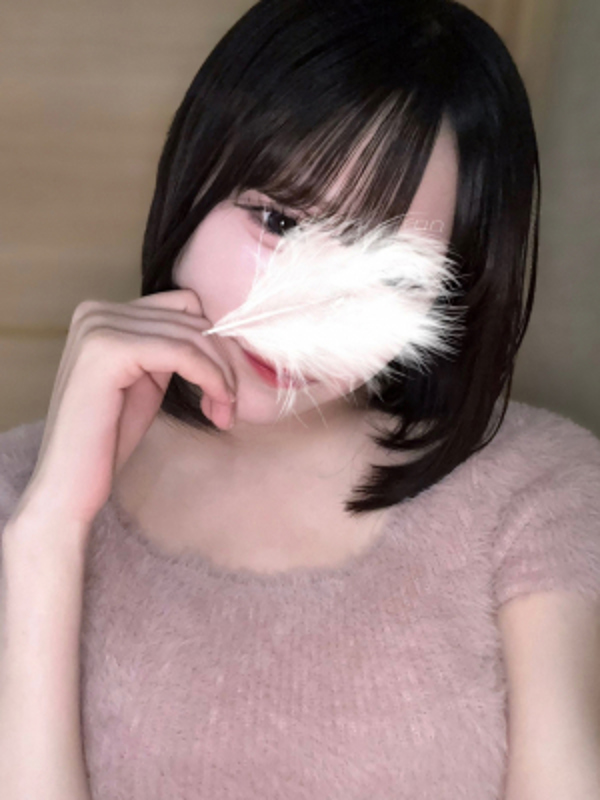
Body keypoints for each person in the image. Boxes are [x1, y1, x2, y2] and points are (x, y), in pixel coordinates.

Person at [1, 1, 599, 798]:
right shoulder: (19, 494)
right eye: (278, 221)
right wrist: (46, 538)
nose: (305, 305)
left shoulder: (537, 490)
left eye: (390, 273)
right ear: (193, 176)